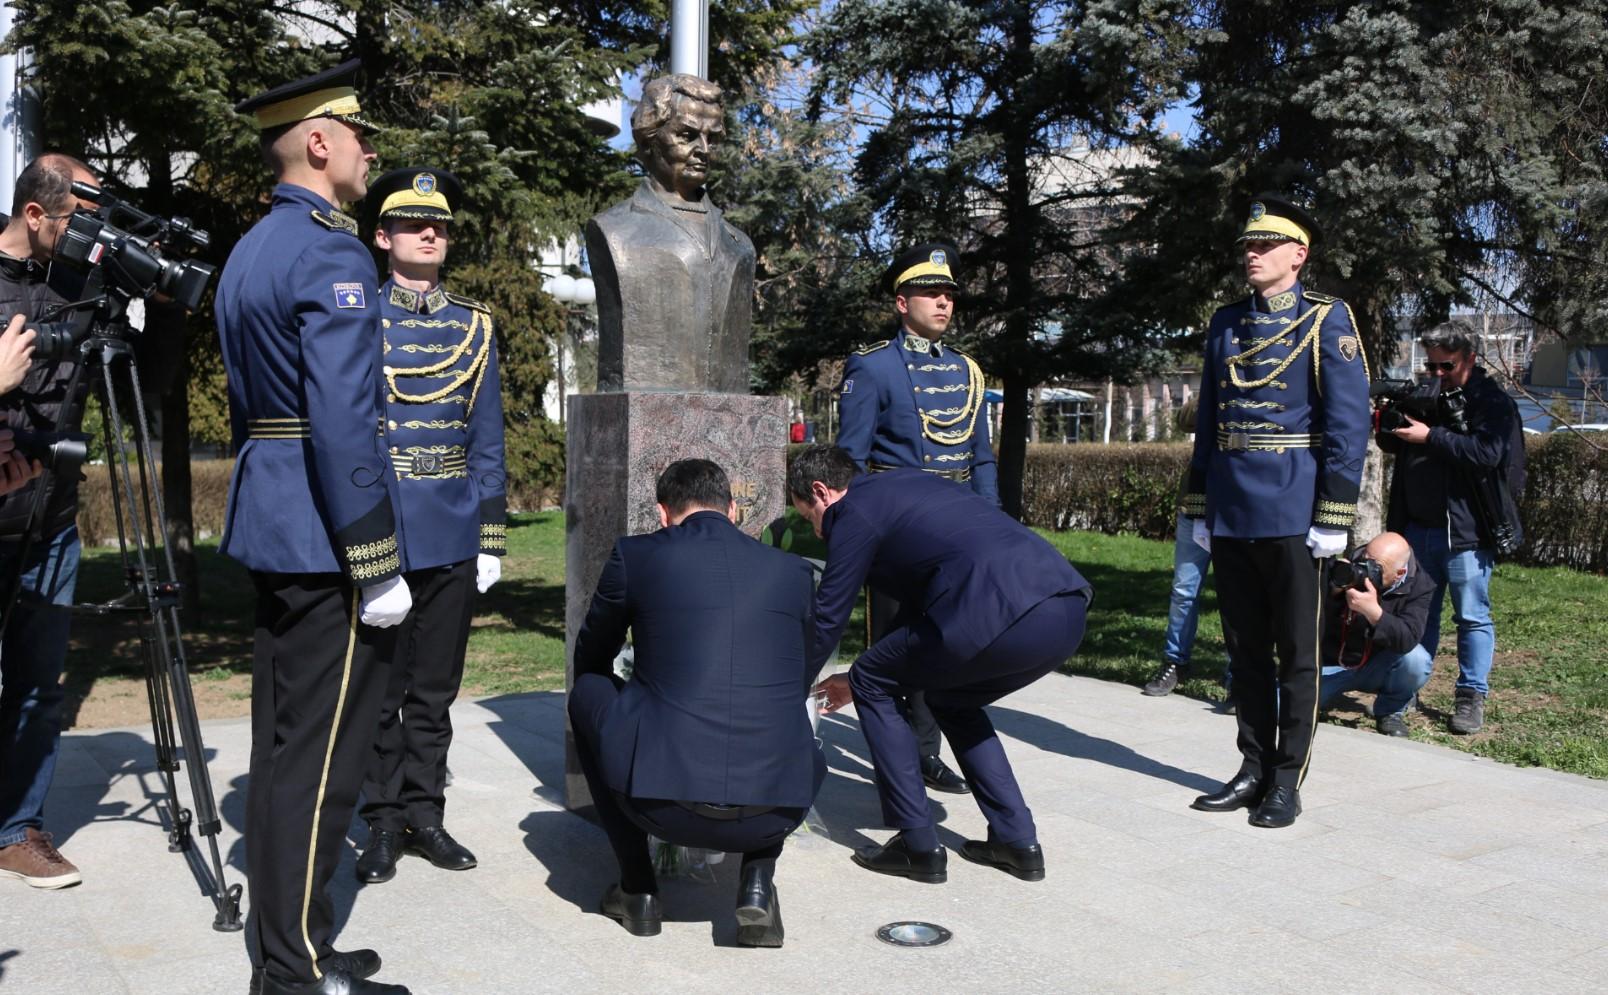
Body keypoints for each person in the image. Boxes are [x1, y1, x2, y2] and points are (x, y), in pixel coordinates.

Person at [217, 61, 413, 995]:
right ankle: (291, 973)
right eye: (361, 134)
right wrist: (376, 560)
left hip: (277, 519)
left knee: (286, 746)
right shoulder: (333, 253)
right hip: (329, 538)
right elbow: (341, 421)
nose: (373, 150)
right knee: (321, 761)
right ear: (322, 141)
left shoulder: (253, 246)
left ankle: (300, 940)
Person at [793, 445, 1092, 884]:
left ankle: (918, 846)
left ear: (822, 491)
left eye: (809, 517)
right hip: (1063, 610)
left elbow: (829, 616)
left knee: (871, 679)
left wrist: (782, 689)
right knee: (951, 699)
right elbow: (920, 608)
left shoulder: (852, 512)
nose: (818, 532)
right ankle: (1016, 841)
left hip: (998, 613)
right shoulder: (911, 485)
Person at [569, 459, 823, 948]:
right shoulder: (793, 571)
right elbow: (798, 673)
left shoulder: (636, 555)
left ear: (663, 515)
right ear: (732, 510)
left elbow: (592, 656)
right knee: (786, 722)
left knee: (586, 693)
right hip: (776, 807)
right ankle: (757, 884)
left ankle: (638, 889)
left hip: (660, 802)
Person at [1183, 193, 1370, 829]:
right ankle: (1252, 766)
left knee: (1297, 654)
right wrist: (1201, 502)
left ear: (1299, 254)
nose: (1252, 254)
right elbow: (1209, 418)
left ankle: (1287, 780)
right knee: (1244, 651)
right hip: (1234, 505)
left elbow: (1346, 426)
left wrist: (1334, 513)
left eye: (1265, 245)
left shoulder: (1327, 321)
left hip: (1295, 507)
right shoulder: (1226, 322)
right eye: (1247, 245)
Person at [351, 168, 507, 885]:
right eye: (414, 224)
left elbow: (487, 438)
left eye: (439, 224)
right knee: (383, 688)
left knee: (436, 689)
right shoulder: (357, 317)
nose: (429, 233)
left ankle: (427, 812)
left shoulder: (475, 325)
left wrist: (492, 536)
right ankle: (380, 819)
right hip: (386, 526)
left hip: (450, 527)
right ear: (382, 236)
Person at [834, 241, 997, 795]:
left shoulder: (968, 372)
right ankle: (897, 755)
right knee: (895, 646)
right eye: (931, 293)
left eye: (949, 293)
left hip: (959, 533)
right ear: (901, 302)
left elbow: (980, 458)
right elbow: (850, 460)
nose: (944, 303)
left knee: (941, 643)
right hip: (899, 531)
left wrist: (994, 526)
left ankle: (925, 752)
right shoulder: (873, 368)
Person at [0, 153, 103, 892]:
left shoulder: (81, 285)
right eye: (74, 224)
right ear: (36, 214)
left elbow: (146, 380)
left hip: (51, 522)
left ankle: (16, 828)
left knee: (39, 687)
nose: (83, 242)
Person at [1377, 321, 1524, 735]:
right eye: (1432, 366)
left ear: (1470, 359)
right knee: (1417, 616)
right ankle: (1402, 695)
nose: (1437, 374)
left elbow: (1487, 453)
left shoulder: (1490, 401)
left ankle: (1470, 696)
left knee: (1472, 616)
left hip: (1468, 533)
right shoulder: (1425, 395)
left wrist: (1430, 436)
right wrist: (1390, 419)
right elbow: (1393, 443)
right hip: (1418, 529)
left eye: (1447, 366)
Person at [584, 73, 755, 392]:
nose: (703, 149)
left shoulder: (740, 245)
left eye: (712, 138)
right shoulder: (615, 231)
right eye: (687, 135)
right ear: (650, 137)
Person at [1144, 399, 1234, 698]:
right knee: (1184, 590)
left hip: (1239, 508)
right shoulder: (1218, 382)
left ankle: (1238, 669)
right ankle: (1175, 661)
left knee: (1236, 595)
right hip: (1195, 506)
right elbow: (1185, 420)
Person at [1317, 532, 1436, 736]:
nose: (1366, 569)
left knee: (1417, 660)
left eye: (1377, 567)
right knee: (1276, 706)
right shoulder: (1346, 568)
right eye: (1365, 559)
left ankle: (1390, 711)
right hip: (1329, 666)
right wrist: (1332, 590)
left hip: (1377, 666)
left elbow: (1407, 639)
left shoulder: (1420, 586)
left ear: (1399, 573)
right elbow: (1302, 615)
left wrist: (1375, 613)